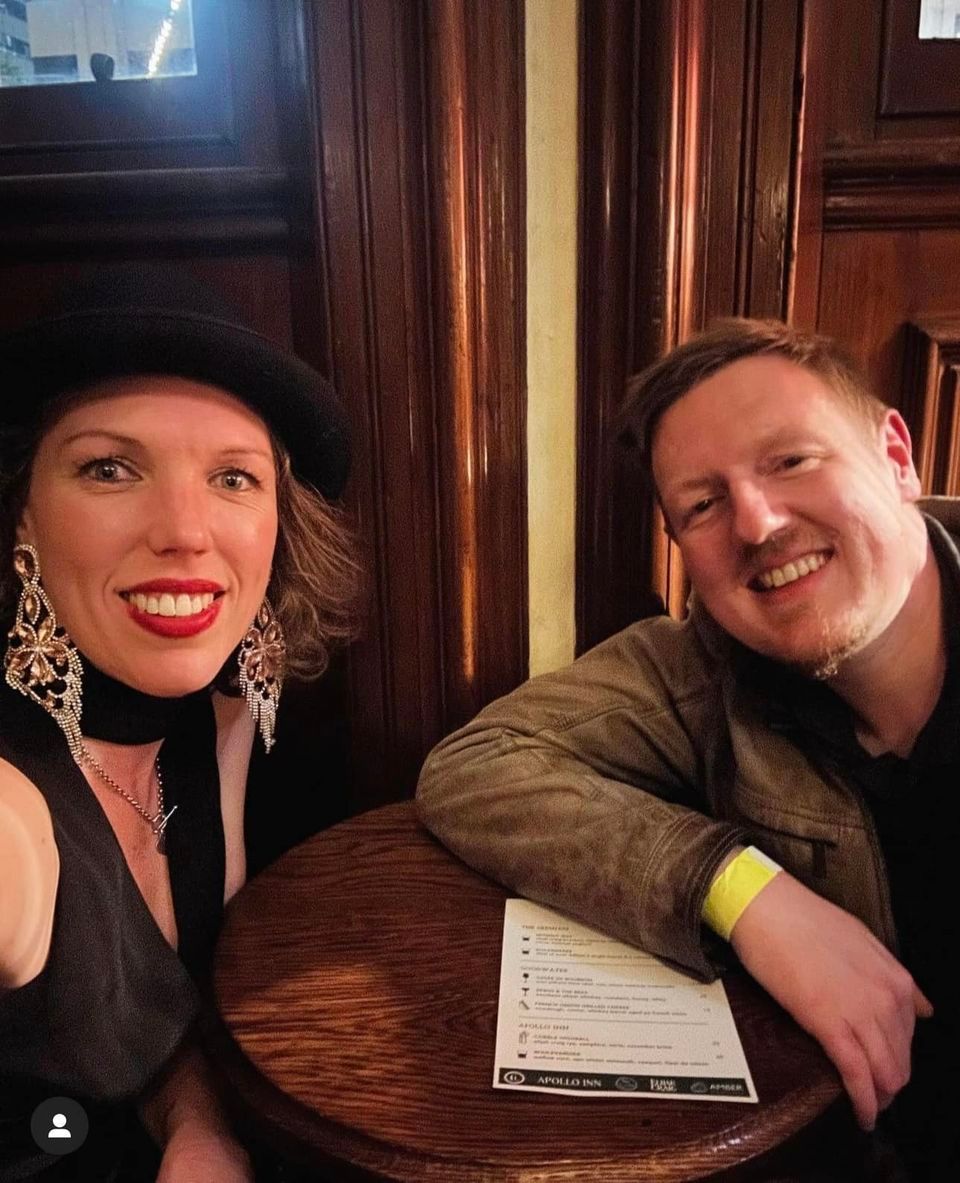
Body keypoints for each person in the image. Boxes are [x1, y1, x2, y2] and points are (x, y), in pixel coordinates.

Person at [417, 318, 957, 1179]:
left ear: (897, 454)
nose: (757, 522)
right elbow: (474, 764)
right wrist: (744, 891)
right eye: (702, 504)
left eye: (792, 460)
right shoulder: (701, 665)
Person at [0, 266, 361, 1181]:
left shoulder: (229, 709)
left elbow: (163, 1011)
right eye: (109, 467)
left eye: (233, 476)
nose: (187, 531)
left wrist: (199, 1127)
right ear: (21, 516)